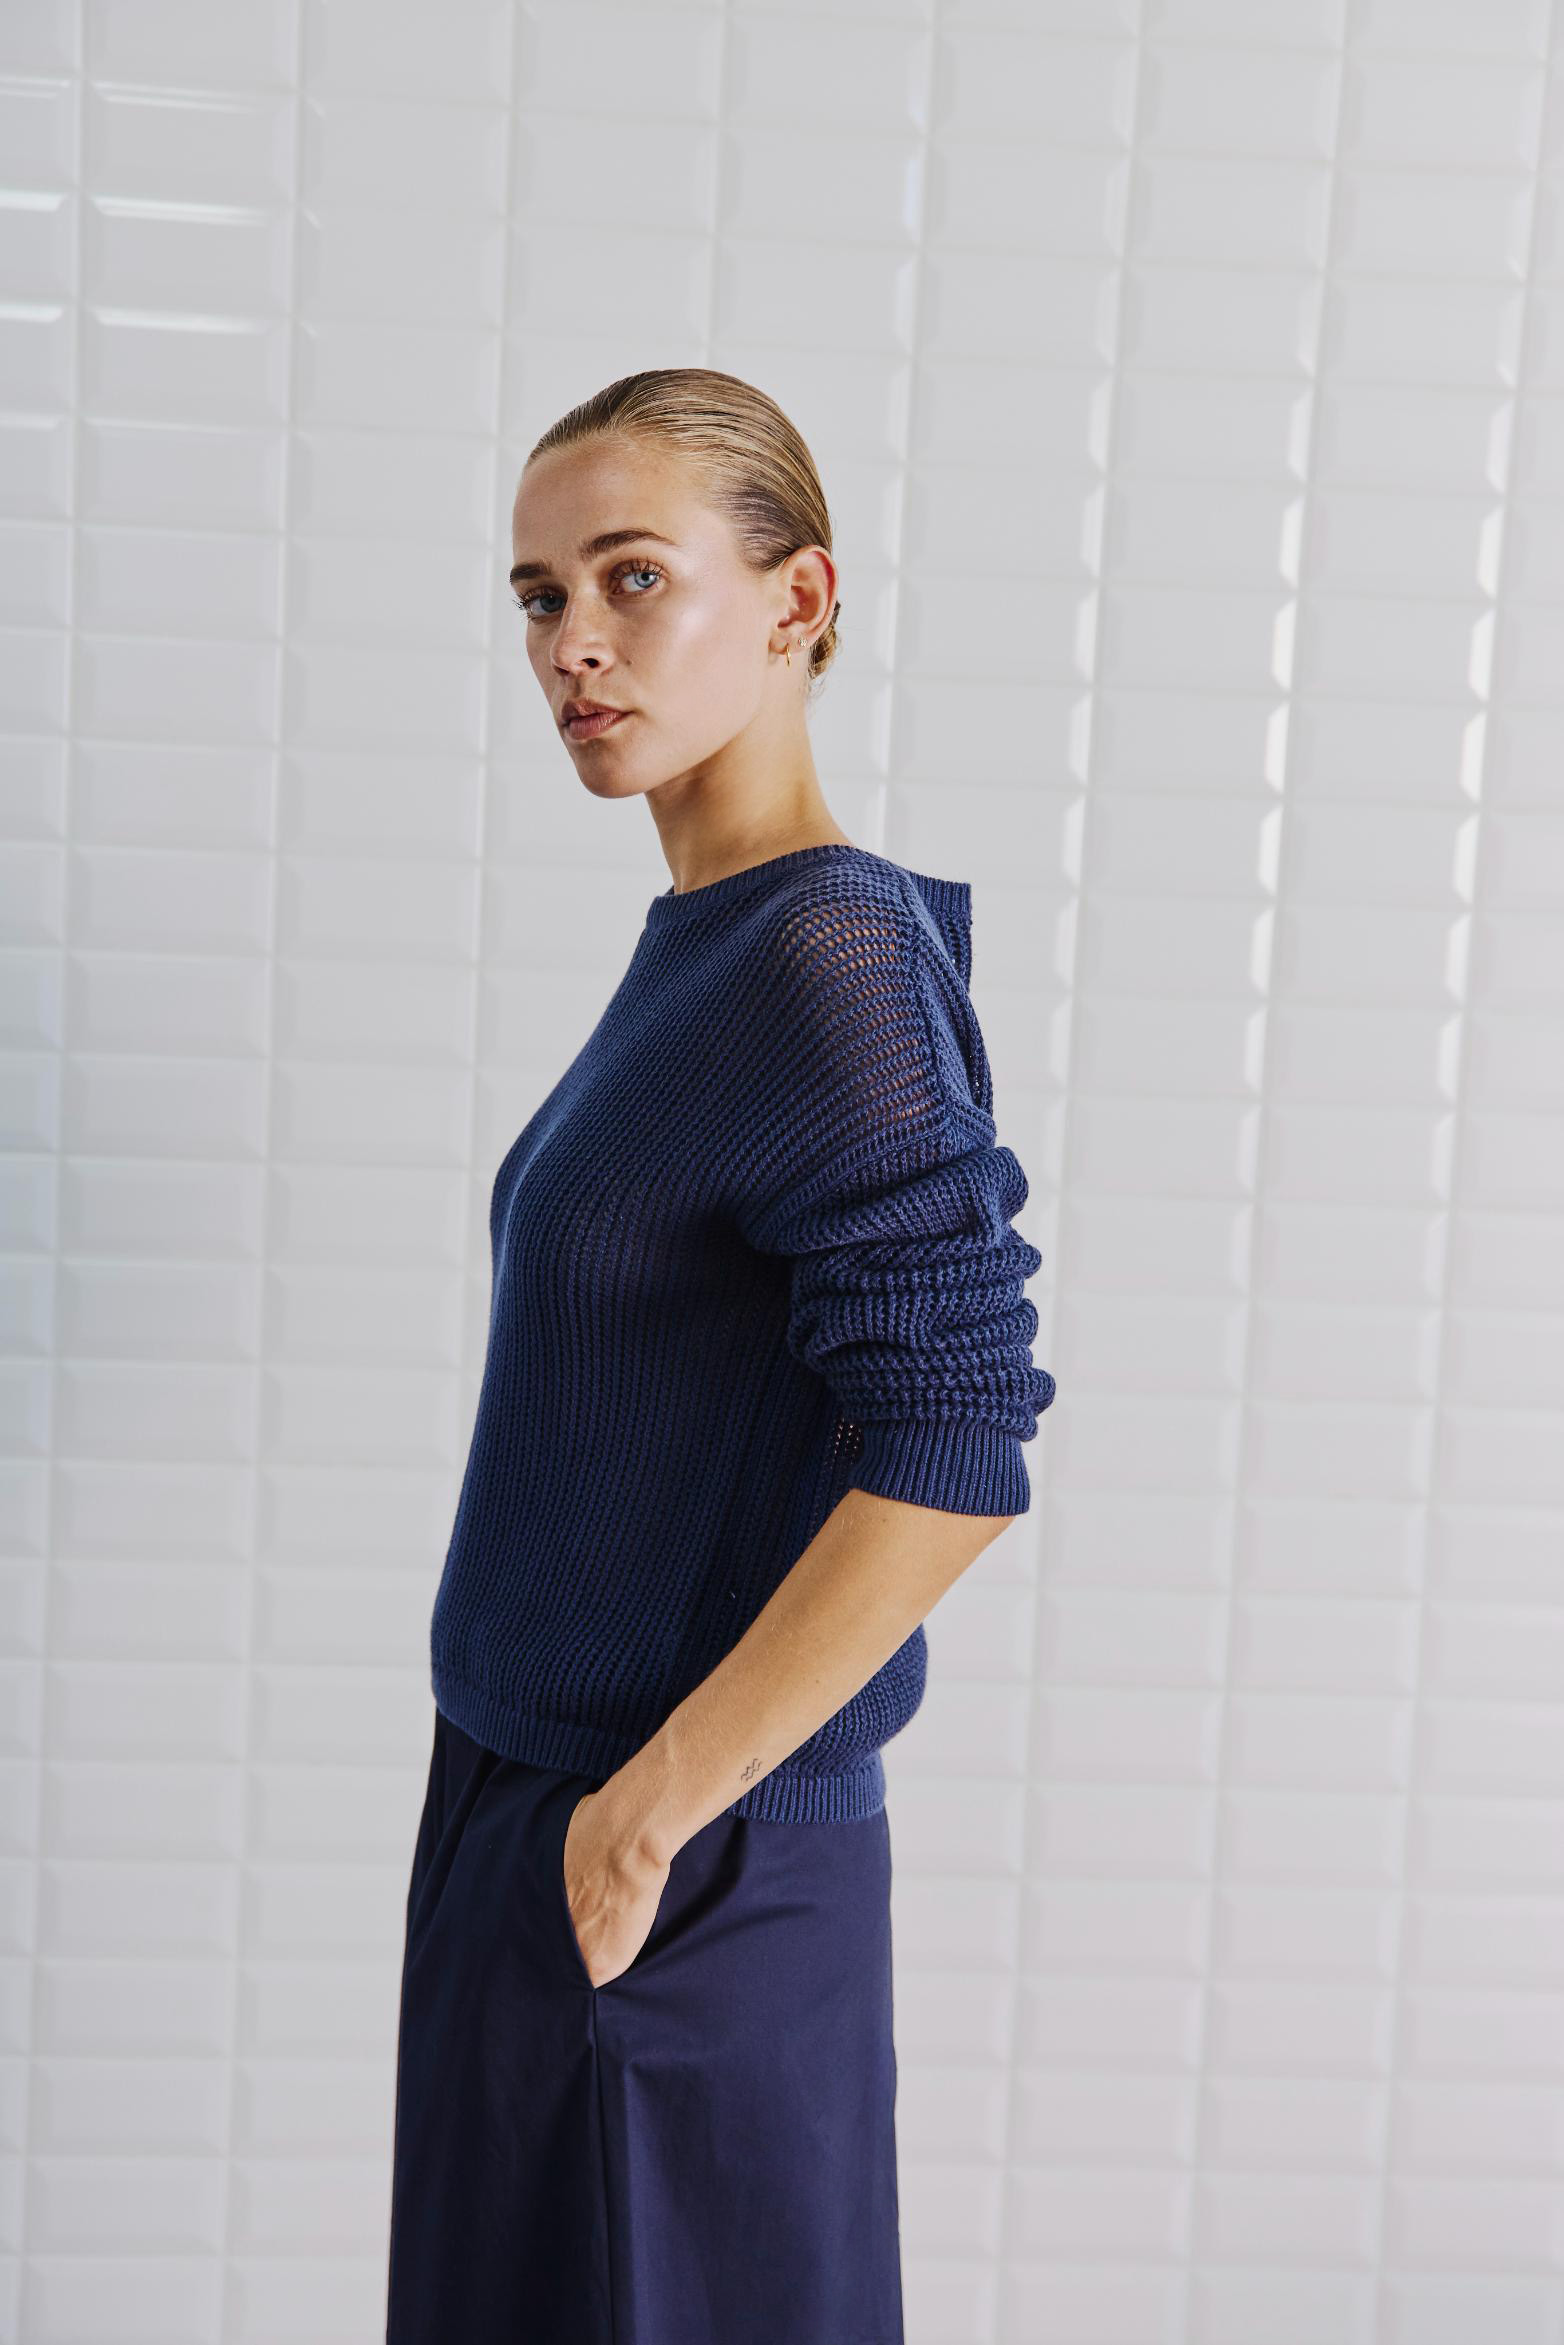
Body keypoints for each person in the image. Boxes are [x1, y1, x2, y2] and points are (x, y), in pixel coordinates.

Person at [384, 366, 1056, 2345]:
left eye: (632, 578)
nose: (571, 645)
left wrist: (653, 1807)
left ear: (795, 600)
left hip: (679, 1867)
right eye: (537, 596)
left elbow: (955, 1445)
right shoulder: (714, 941)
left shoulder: (823, 958)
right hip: (538, 1808)